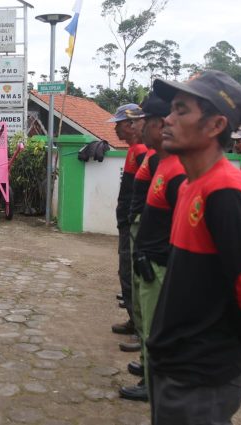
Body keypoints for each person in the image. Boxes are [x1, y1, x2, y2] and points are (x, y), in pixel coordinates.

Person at [147, 70, 241, 424]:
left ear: (216, 124)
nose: (167, 121)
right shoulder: (193, 185)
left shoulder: (224, 191)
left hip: (199, 375)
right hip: (176, 362)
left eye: (181, 110)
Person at [119, 93, 179, 403]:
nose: (143, 128)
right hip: (146, 251)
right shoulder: (158, 160)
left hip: (159, 258)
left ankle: (154, 379)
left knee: (155, 319)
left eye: (150, 122)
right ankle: (148, 368)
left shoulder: (174, 167)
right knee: (145, 313)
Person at [109, 103, 147, 337]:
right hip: (126, 220)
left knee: (131, 272)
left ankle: (140, 327)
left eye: (119, 124)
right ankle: (134, 320)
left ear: (132, 124)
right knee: (126, 272)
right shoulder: (133, 150)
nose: (115, 130)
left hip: (133, 222)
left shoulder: (142, 152)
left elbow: (139, 193)